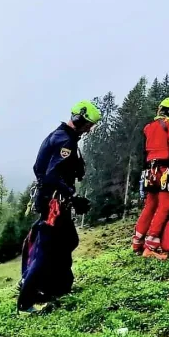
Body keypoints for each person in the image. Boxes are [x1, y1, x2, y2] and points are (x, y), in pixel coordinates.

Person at [18, 101, 100, 313]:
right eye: (88, 125)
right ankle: (26, 301)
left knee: (69, 240)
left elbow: (40, 168)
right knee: (45, 250)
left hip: (55, 200)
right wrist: (73, 196)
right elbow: (50, 176)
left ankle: (59, 287)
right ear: (79, 120)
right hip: (53, 202)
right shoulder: (65, 141)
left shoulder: (61, 136)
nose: (89, 130)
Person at [132, 97, 169, 259]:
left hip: (150, 170)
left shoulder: (149, 127)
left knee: (150, 205)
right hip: (166, 169)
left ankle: (137, 243)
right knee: (166, 205)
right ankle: (151, 246)